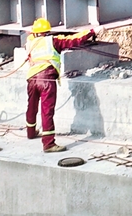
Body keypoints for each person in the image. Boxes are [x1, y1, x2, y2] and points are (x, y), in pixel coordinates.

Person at [24, 18, 96, 153]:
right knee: (47, 111)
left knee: (31, 106)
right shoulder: (52, 41)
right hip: (46, 79)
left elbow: (30, 37)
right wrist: (92, 31)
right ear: (47, 31)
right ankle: (48, 144)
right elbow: (74, 40)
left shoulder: (30, 43)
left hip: (32, 78)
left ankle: (31, 132)